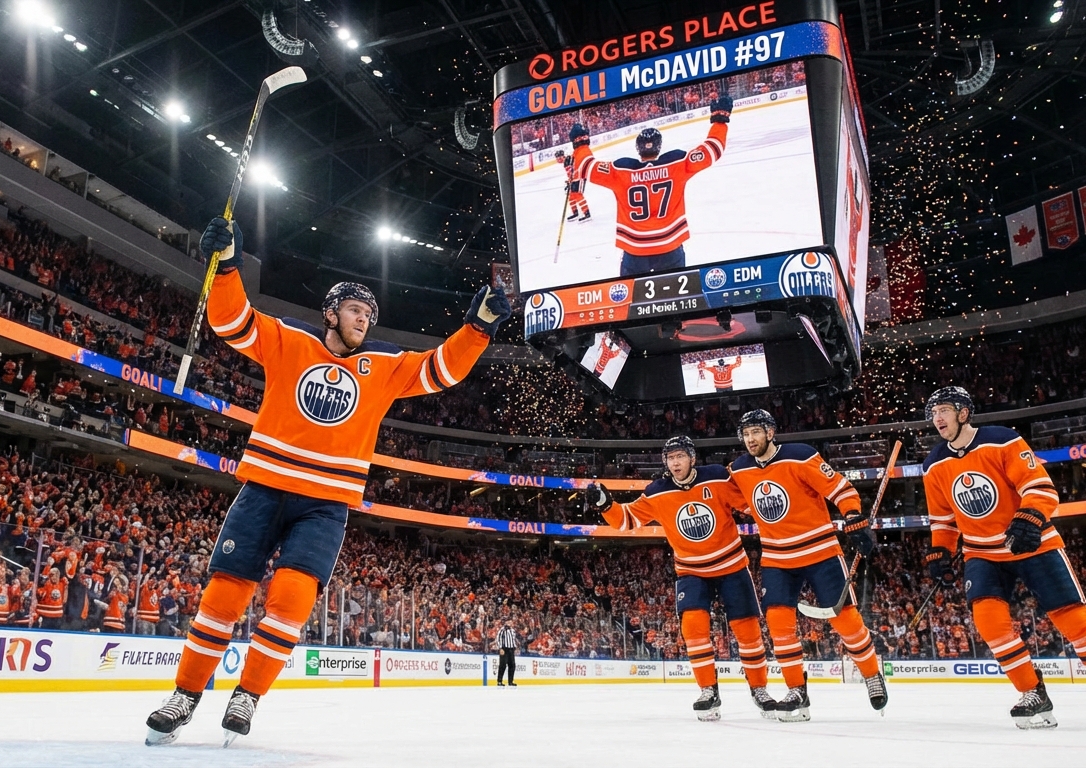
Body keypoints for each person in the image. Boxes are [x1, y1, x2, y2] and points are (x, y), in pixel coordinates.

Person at [146, 215, 511, 747]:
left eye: (370, 314)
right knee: (224, 596)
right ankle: (185, 696)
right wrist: (224, 265)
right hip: (265, 488)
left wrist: (477, 326)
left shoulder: (382, 369)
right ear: (331, 313)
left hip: (324, 503)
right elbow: (232, 323)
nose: (364, 320)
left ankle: (247, 695)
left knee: (291, 600)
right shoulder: (289, 343)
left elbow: (443, 369)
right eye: (356, 310)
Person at [921, 386, 1086, 728]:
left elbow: (1039, 487)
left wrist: (1030, 518)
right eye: (933, 413)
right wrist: (941, 551)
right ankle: (1032, 691)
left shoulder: (1003, 439)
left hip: (1031, 543)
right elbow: (943, 519)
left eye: (944, 410)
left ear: (964, 413)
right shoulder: (933, 463)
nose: (937, 418)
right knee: (988, 620)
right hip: (981, 551)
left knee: (1073, 620)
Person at [589, 436, 776, 721]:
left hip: (731, 566)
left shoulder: (716, 477)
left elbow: (751, 504)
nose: (675, 463)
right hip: (691, 570)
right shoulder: (657, 491)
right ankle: (708, 690)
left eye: (680, 457)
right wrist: (605, 504)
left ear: (692, 458)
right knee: (693, 627)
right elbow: (627, 519)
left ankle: (759, 689)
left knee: (748, 629)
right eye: (670, 458)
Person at [723, 410, 885, 721]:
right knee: (778, 622)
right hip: (777, 556)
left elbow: (840, 489)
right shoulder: (739, 469)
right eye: (745, 434)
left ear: (771, 432)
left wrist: (853, 517)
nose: (750, 439)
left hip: (820, 550)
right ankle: (797, 691)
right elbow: (735, 498)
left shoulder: (801, 456)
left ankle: (872, 674)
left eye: (756, 432)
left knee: (846, 621)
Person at [569, 97, 731, 276]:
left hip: (635, 251)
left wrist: (580, 142)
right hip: (670, 247)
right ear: (659, 146)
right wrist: (719, 119)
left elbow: (585, 166)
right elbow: (713, 150)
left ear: (638, 149)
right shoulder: (677, 163)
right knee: (675, 301)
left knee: (632, 300)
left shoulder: (620, 171)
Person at [553, 149, 589, 222]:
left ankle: (587, 214)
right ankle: (575, 213)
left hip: (580, 177)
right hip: (575, 179)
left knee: (578, 194)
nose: (559, 160)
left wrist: (571, 180)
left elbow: (574, 170)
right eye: (557, 159)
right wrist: (569, 180)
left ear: (563, 156)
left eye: (560, 158)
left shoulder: (568, 160)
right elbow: (571, 173)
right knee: (571, 196)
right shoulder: (566, 161)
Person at [495, 622, 519, 687]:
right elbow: (498, 639)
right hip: (504, 649)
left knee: (512, 665)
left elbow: (513, 640)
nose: (510, 623)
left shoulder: (513, 631)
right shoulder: (502, 630)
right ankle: (499, 681)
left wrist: (515, 647)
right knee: (502, 665)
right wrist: (500, 648)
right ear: (505, 623)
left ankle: (510, 681)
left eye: (511, 622)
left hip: (511, 649)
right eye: (509, 622)